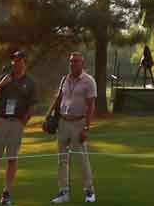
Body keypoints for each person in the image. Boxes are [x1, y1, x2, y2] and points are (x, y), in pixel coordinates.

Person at [0, 48, 37, 206]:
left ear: (24, 63)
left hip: (17, 123)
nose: (15, 63)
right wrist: (1, 84)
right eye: (13, 60)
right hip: (0, 121)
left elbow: (31, 108)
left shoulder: (30, 82)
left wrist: (22, 123)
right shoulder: (5, 77)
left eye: (19, 60)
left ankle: (6, 194)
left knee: (12, 159)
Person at [48, 52, 96, 204]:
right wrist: (47, 117)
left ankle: (89, 191)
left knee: (82, 158)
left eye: (76, 61)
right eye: (71, 61)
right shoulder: (65, 79)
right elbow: (58, 99)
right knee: (62, 160)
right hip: (63, 122)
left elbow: (91, 106)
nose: (72, 64)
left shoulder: (88, 81)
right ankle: (64, 192)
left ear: (82, 63)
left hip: (78, 123)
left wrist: (86, 128)